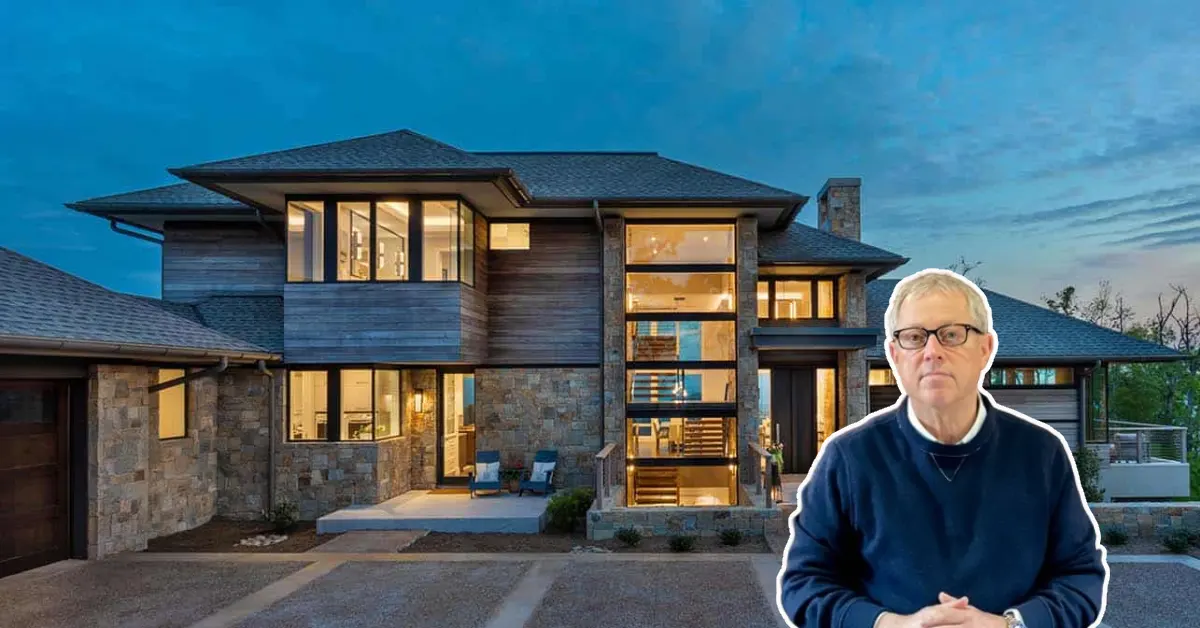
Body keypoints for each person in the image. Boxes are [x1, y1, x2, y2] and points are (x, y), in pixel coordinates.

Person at [776, 269, 1109, 628]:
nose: (932, 352)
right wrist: (891, 625)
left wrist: (1009, 625)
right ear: (894, 354)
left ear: (986, 348)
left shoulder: (1042, 454)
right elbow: (804, 584)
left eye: (952, 334)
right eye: (915, 337)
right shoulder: (848, 459)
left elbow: (1080, 577)